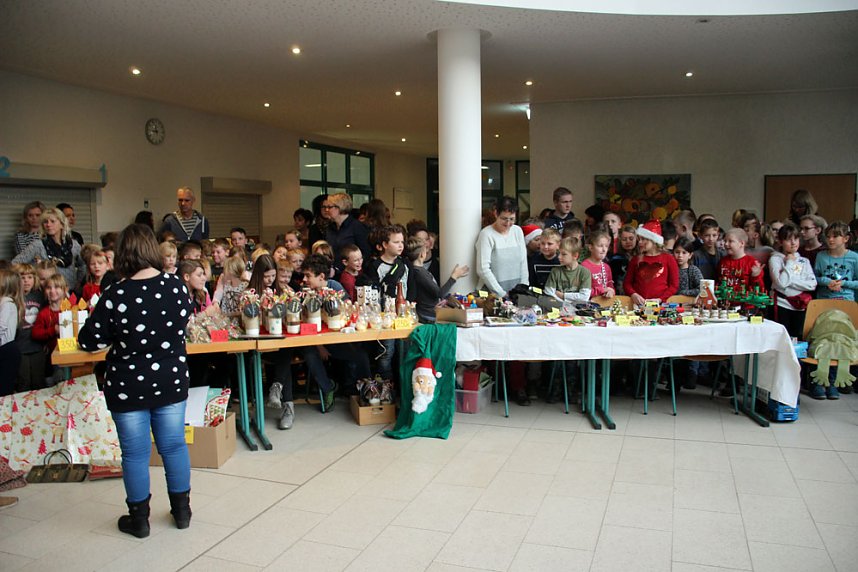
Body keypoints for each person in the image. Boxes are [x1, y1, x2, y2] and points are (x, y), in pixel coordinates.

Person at [78, 223, 194, 538]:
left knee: (134, 453)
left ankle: (139, 520)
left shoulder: (115, 294)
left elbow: (90, 340)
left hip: (128, 383)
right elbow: (185, 318)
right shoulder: (176, 286)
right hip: (170, 379)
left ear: (124, 254)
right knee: (173, 445)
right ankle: (182, 512)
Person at [301, 254, 372, 410]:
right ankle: (328, 389)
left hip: (336, 340)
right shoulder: (306, 294)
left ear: (321, 277)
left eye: (308, 276)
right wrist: (320, 346)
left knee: (361, 355)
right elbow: (305, 323)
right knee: (309, 352)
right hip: (315, 342)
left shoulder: (335, 287)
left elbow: (347, 310)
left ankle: (368, 391)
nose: (304, 280)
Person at [362, 225, 408, 380]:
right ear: (384, 245)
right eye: (396, 242)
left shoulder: (404, 265)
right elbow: (372, 293)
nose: (400, 245)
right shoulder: (374, 266)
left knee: (403, 352)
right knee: (386, 352)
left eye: (402, 241)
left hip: (403, 314)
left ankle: (401, 386)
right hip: (384, 316)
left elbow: (411, 288)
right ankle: (386, 385)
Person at [13, 207, 85, 291]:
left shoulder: (74, 245)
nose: (48, 224)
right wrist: (32, 277)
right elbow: (15, 263)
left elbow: (83, 264)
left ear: (62, 224)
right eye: (45, 222)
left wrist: (79, 282)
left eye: (52, 221)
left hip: (71, 291)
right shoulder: (37, 245)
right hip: (47, 293)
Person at [404, 236, 468, 323]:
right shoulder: (420, 273)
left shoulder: (415, 270)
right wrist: (454, 276)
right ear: (422, 254)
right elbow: (439, 293)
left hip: (426, 312)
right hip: (428, 315)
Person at [768, 222, 816, 339]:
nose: (793, 243)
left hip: (799, 305)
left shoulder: (804, 261)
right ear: (780, 242)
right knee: (781, 337)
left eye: (796, 239)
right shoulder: (775, 259)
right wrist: (789, 262)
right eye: (789, 240)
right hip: (781, 304)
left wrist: (791, 281)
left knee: (797, 338)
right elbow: (781, 283)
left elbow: (812, 284)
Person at [476, 196, 528, 297]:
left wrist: (523, 287)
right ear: (496, 214)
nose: (508, 223)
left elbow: (523, 262)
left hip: (515, 292)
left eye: (512, 219)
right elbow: (483, 269)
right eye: (504, 219)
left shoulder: (517, 231)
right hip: (491, 295)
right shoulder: (486, 234)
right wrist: (502, 294)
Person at [624, 219, 679, 305]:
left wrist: (660, 299)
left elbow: (674, 285)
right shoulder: (636, 259)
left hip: (660, 306)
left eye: (643, 239)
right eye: (639, 239)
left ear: (653, 240)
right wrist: (633, 294)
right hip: (638, 305)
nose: (640, 242)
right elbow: (627, 283)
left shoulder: (669, 259)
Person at [31, 273, 73, 385]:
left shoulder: (73, 308)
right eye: (49, 287)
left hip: (73, 353)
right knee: (60, 379)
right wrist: (52, 330)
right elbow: (35, 333)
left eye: (57, 287)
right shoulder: (44, 313)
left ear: (65, 290)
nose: (52, 290)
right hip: (55, 356)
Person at [12, 263, 45, 391]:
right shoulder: (14, 298)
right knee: (23, 382)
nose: (26, 281)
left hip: (37, 346)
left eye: (30, 277)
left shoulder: (39, 295)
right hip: (20, 347)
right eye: (22, 277)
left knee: (38, 382)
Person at [325, 193, 370, 271]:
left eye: (329, 207)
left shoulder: (357, 227)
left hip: (352, 274)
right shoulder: (330, 227)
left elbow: (366, 253)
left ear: (340, 207)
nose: (326, 210)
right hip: (333, 273)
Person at [815, 221, 858, 302]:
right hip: (824, 299)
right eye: (828, 236)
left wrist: (844, 283)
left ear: (846, 238)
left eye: (835, 236)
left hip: (846, 299)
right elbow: (813, 278)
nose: (830, 239)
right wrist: (827, 282)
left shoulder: (854, 257)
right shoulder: (820, 256)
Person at [717, 228, 765, 295]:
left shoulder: (752, 263)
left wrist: (756, 276)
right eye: (725, 241)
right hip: (725, 302)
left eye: (730, 241)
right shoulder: (723, 261)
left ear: (742, 243)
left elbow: (759, 289)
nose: (726, 244)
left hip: (745, 303)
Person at [545, 237, 592, 303]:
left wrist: (563, 296)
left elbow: (584, 297)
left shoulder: (585, 273)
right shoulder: (555, 271)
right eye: (559, 253)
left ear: (575, 256)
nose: (559, 257)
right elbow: (548, 293)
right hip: (558, 308)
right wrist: (564, 304)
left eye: (563, 254)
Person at [0, 269, 23, 396]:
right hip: (6, 349)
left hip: (6, 350)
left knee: (4, 390)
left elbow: (1, 327)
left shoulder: (6, 304)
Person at [582, 230, 615, 299]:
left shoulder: (607, 267)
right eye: (600, 246)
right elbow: (583, 292)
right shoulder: (584, 266)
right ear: (591, 247)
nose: (604, 250)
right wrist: (602, 290)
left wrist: (611, 292)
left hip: (605, 304)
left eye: (606, 246)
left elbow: (610, 286)